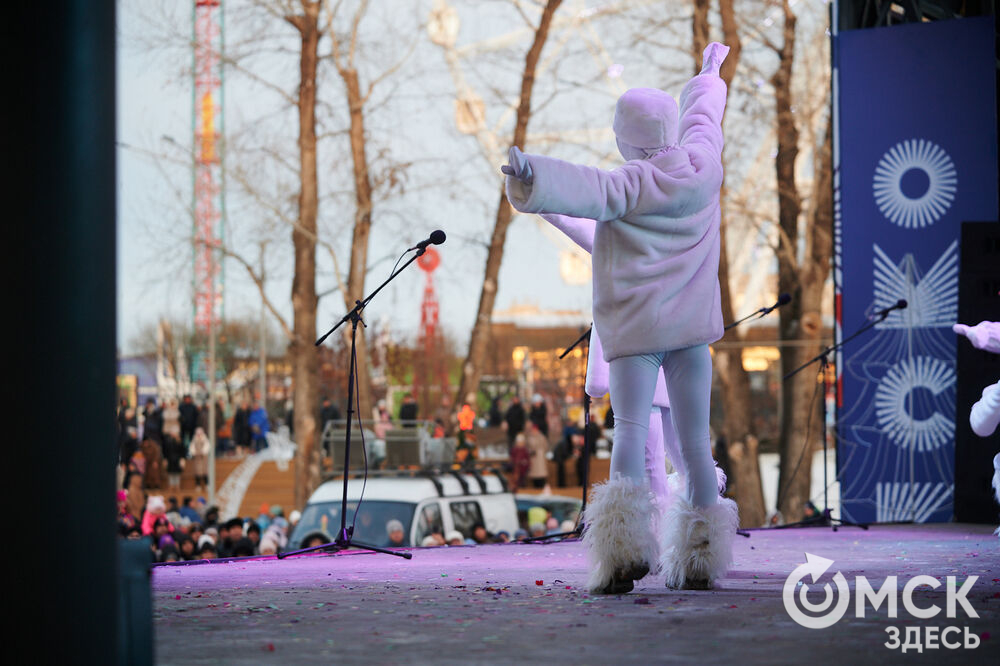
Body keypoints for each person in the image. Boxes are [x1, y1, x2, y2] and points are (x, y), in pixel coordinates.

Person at [502, 42, 738, 593]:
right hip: (691, 336)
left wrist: (531, 175)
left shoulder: (628, 185)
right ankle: (701, 558)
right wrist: (707, 77)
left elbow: (585, 187)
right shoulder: (704, 168)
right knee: (696, 445)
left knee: (630, 435)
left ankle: (621, 554)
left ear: (625, 138)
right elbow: (705, 121)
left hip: (638, 338)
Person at [525, 421, 549, 489]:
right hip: (533, 459)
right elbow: (527, 447)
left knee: (541, 477)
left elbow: (545, 446)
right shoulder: (529, 438)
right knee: (535, 477)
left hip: (540, 459)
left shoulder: (542, 437)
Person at [189, 427, 211, 493]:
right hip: (197, 458)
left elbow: (207, 446)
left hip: (204, 458)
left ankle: (207, 485)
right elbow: (191, 447)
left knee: (205, 472)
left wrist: (203, 452)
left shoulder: (205, 439)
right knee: (197, 472)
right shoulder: (194, 439)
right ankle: (198, 485)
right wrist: (194, 452)